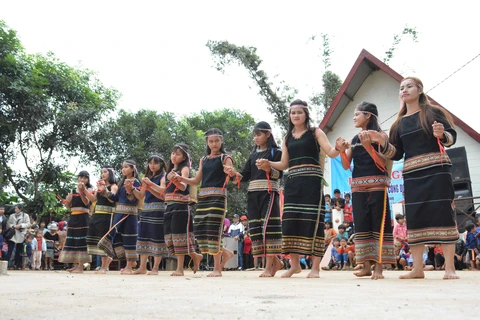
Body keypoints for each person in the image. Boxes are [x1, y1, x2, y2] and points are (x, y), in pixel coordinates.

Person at [369, 76, 459, 280]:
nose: (404, 90)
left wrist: (442, 134)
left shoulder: (433, 112)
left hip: (437, 171)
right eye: (401, 88)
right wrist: (380, 142)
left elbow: (452, 137)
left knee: (444, 214)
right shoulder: (399, 123)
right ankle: (417, 268)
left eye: (409, 86)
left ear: (419, 89)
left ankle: (449, 268)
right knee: (415, 217)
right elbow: (396, 153)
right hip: (412, 175)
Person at [257, 99, 341, 278]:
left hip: (312, 182)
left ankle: (315, 268)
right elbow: (284, 164)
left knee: (313, 222)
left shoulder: (315, 132)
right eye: (293, 113)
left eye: (299, 112)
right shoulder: (287, 137)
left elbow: (331, 152)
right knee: (290, 221)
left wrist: (340, 148)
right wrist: (268, 163)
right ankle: (294, 266)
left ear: (306, 114)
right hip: (293, 182)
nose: (296, 115)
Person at [337, 101, 396, 279]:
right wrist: (341, 151)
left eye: (357, 114)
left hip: (377, 186)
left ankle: (379, 268)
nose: (354, 118)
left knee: (378, 225)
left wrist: (369, 146)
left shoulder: (381, 136)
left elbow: (383, 163)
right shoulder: (355, 139)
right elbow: (347, 165)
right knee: (362, 226)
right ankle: (366, 266)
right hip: (358, 188)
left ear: (368, 115)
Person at [174, 129, 235, 277]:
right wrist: (180, 179)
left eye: (216, 141)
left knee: (214, 231)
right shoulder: (204, 159)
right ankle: (226, 254)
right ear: (207, 142)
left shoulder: (225, 158)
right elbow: (196, 181)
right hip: (203, 198)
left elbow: (231, 174)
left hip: (218, 197)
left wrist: (231, 172)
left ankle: (217, 269)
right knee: (202, 230)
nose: (214, 144)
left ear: (221, 141)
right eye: (211, 141)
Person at [229, 121, 284, 277]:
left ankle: (268, 268)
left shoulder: (276, 152)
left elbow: (279, 174)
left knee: (269, 228)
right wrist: (233, 174)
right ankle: (276, 263)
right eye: (254, 135)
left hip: (269, 192)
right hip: (253, 194)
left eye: (258, 134)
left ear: (268, 134)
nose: (255, 138)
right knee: (256, 229)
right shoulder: (253, 155)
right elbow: (245, 175)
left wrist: (268, 168)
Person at [158, 146, 202, 276]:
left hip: (181, 206)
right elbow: (163, 191)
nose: (174, 156)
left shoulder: (184, 169)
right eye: (172, 153)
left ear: (184, 157)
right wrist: (149, 186)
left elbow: (183, 186)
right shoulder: (169, 172)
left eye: (177, 154)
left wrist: (175, 180)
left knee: (179, 237)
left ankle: (180, 268)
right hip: (170, 206)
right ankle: (195, 255)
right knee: (170, 237)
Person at [98, 160, 143, 274]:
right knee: (117, 237)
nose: (123, 169)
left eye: (126, 167)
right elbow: (115, 198)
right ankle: (131, 262)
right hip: (119, 214)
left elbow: (135, 199)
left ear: (133, 169)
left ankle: (129, 266)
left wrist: (130, 190)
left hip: (130, 215)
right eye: (122, 167)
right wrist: (104, 191)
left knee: (129, 239)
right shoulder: (121, 183)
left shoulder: (136, 182)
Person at [134, 155, 170, 275]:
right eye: (150, 163)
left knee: (157, 237)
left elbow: (163, 193)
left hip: (159, 209)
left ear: (161, 164)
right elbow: (140, 196)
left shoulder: (163, 176)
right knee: (143, 237)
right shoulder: (147, 177)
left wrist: (150, 185)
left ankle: (155, 268)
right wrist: (131, 188)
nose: (152, 165)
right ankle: (142, 267)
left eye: (155, 163)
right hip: (146, 209)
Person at [57, 171, 92, 273]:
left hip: (83, 217)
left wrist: (82, 191)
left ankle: (81, 267)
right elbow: (68, 206)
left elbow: (86, 202)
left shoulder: (89, 189)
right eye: (81, 177)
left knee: (81, 241)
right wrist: (66, 201)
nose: (82, 179)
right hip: (73, 217)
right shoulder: (73, 190)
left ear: (88, 179)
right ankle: (75, 265)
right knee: (73, 241)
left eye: (85, 178)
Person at [85, 167, 117, 274]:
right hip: (97, 214)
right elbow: (94, 199)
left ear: (111, 174)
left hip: (107, 215)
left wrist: (104, 189)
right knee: (96, 239)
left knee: (104, 240)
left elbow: (112, 199)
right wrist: (84, 190)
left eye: (105, 172)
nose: (103, 174)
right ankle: (104, 264)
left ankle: (104, 267)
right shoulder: (99, 187)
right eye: (102, 172)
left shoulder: (114, 186)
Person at [6, 204, 31, 270]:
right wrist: (13, 226)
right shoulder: (12, 216)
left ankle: (17, 264)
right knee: (10, 250)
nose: (15, 210)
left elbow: (28, 224)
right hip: (13, 233)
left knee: (19, 250)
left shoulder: (25, 215)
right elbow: (9, 223)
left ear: (20, 209)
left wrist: (20, 225)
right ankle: (7, 264)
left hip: (21, 233)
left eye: (16, 208)